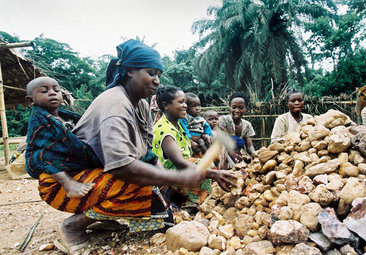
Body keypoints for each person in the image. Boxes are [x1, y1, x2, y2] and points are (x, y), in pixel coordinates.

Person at [34, 40, 210, 254]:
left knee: (158, 194)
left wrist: (202, 174)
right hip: (60, 183)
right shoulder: (115, 105)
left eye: (159, 75)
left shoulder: (142, 104)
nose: (156, 81)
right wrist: (175, 178)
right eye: (151, 73)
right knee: (140, 184)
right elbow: (123, 168)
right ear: (129, 72)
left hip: (94, 175)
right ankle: (74, 225)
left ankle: (102, 217)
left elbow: (147, 153)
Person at [152, 85, 236, 208]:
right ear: (166, 105)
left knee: (211, 154)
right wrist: (212, 173)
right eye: (181, 102)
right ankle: (194, 203)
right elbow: (180, 163)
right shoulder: (164, 130)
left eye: (185, 102)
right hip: (168, 179)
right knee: (201, 163)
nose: (185, 106)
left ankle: (217, 186)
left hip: (181, 173)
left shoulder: (178, 124)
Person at [25, 77, 100, 198]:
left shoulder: (65, 116)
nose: (52, 93)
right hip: (41, 158)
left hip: (65, 155)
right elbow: (40, 142)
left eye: (56, 90)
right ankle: (68, 183)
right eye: (44, 91)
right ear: (30, 100)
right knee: (42, 155)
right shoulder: (38, 120)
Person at [219, 92, 255, 163]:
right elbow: (221, 143)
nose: (237, 110)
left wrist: (255, 155)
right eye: (234, 107)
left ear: (246, 108)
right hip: (223, 155)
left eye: (241, 108)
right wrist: (231, 155)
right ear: (230, 107)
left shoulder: (247, 125)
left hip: (239, 156)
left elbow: (249, 146)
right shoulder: (223, 120)